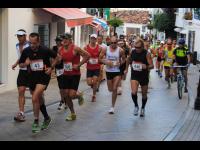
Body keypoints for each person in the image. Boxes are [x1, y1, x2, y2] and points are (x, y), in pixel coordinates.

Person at [19, 32, 59, 133]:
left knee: (34, 97)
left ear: (38, 41)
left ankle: (36, 121)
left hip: (44, 76)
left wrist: (51, 68)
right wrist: (25, 64)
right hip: (32, 77)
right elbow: (21, 64)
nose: (32, 45)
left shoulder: (45, 50)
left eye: (34, 43)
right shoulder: (26, 51)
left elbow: (58, 57)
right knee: (39, 99)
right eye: (30, 43)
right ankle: (46, 117)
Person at [59, 33, 90, 121]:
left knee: (71, 95)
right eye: (63, 39)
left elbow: (87, 55)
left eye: (66, 39)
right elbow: (59, 59)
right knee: (66, 95)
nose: (64, 40)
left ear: (70, 40)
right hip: (65, 74)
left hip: (75, 74)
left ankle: (79, 95)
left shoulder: (75, 48)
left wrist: (79, 65)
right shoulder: (60, 49)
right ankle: (72, 113)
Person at [125, 38, 154, 117]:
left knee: (144, 94)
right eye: (135, 47)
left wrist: (146, 67)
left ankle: (143, 108)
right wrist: (126, 69)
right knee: (134, 92)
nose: (137, 49)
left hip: (144, 76)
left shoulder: (146, 53)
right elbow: (128, 60)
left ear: (142, 47)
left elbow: (152, 66)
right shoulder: (132, 52)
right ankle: (136, 106)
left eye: (138, 47)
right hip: (135, 75)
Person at [99, 36, 126, 114]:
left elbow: (124, 59)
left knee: (114, 88)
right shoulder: (105, 49)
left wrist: (120, 63)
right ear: (109, 42)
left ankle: (112, 107)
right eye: (112, 43)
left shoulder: (120, 50)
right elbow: (100, 59)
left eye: (115, 43)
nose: (113, 44)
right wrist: (106, 62)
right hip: (108, 71)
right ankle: (113, 93)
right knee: (110, 89)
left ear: (117, 43)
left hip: (117, 71)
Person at [12, 29, 30, 122]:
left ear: (25, 36)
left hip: (31, 71)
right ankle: (21, 113)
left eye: (21, 36)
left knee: (35, 94)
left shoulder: (29, 44)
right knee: (21, 91)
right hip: (22, 71)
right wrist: (16, 63)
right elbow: (20, 56)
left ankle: (40, 108)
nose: (19, 38)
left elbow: (31, 57)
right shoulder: (17, 45)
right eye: (18, 36)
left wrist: (27, 62)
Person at [84, 34, 102, 102]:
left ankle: (94, 95)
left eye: (94, 38)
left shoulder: (99, 48)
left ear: (96, 39)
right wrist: (86, 60)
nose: (93, 40)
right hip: (89, 68)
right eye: (92, 38)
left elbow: (101, 57)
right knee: (89, 83)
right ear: (90, 39)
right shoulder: (86, 47)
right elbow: (83, 55)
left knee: (94, 81)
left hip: (96, 68)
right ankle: (94, 86)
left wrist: (100, 60)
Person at [52, 35, 67, 110]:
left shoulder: (65, 47)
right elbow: (52, 57)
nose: (58, 42)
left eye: (59, 41)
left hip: (65, 68)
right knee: (61, 87)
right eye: (57, 41)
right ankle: (64, 100)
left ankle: (63, 101)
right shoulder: (54, 48)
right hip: (57, 69)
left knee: (64, 87)